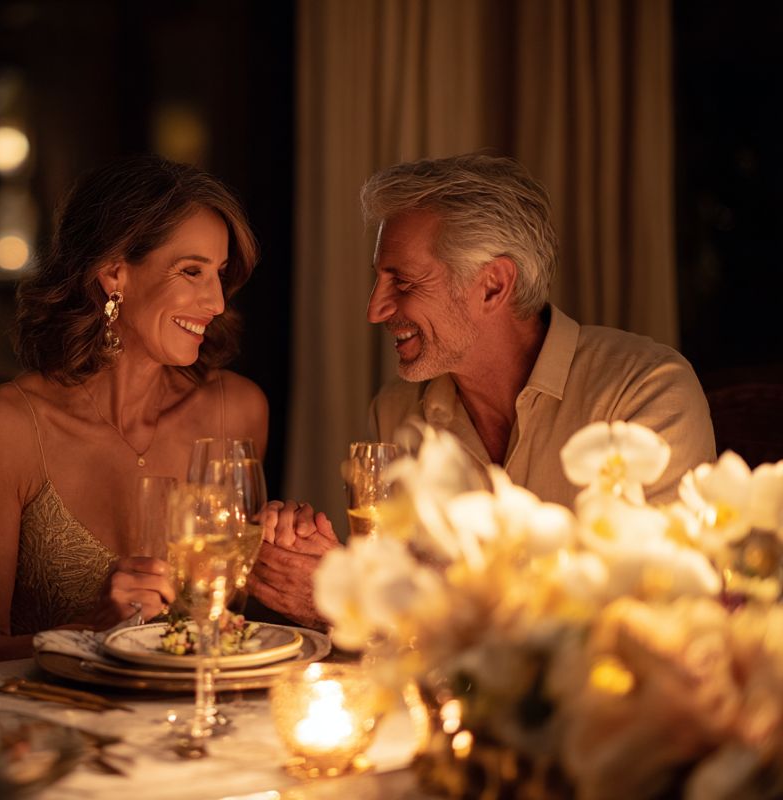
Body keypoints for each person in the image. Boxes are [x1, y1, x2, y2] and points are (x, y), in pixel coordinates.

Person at [247, 152, 716, 629]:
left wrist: (357, 599)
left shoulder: (645, 392)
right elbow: (398, 633)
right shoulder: (396, 410)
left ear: (492, 285)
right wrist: (316, 571)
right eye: (379, 278)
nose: (375, 309)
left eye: (402, 281)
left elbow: (651, 619)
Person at [0, 155, 268, 664]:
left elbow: (234, 614)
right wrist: (91, 632)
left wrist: (286, 554)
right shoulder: (8, 427)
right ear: (114, 274)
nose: (216, 302)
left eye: (220, 274)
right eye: (191, 271)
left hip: (200, 725)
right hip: (56, 730)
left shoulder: (238, 410)